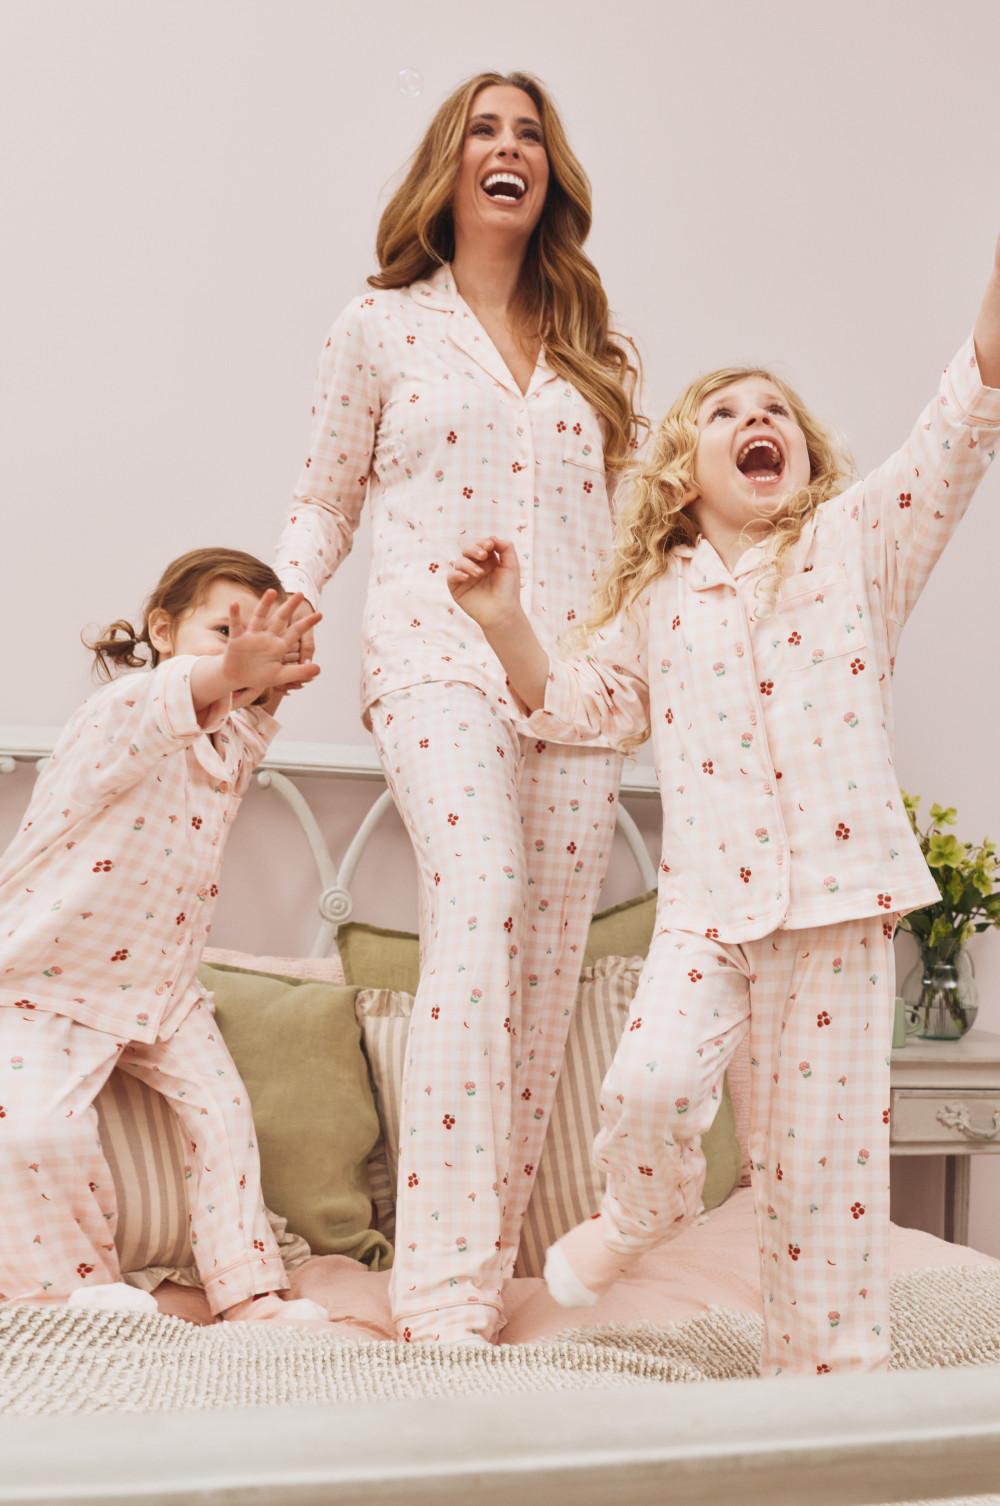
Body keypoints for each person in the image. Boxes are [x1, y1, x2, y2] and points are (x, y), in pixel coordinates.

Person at [446, 237, 1000, 1374]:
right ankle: (639, 1218)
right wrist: (503, 620)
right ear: (681, 476)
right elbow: (579, 705)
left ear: (802, 455)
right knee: (648, 1085)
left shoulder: (856, 547)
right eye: (727, 412)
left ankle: (826, 1401)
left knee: (823, 1179)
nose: (759, 419)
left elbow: (956, 431)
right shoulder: (659, 598)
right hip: (707, 909)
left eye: (777, 411)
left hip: (838, 908)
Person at [274, 71, 643, 1343]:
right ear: (451, 164)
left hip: (570, 679)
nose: (509, 148)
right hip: (432, 652)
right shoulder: (379, 327)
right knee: (480, 895)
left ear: (550, 176)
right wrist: (284, 604)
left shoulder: (597, 352)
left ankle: (479, 1280)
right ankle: (434, 1295)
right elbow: (324, 496)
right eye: (486, 129)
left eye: (529, 134)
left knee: (543, 965)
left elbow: (635, 537)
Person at [0, 548, 329, 1324]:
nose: (241, 651)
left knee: (224, 1119)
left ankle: (250, 1294)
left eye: (257, 638)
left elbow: (239, 720)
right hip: (47, 973)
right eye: (223, 630)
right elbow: (183, 694)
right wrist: (231, 670)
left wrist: (269, 681)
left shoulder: (226, 741)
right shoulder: (123, 709)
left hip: (162, 985)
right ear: (162, 629)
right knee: (35, 1133)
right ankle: (69, 1296)